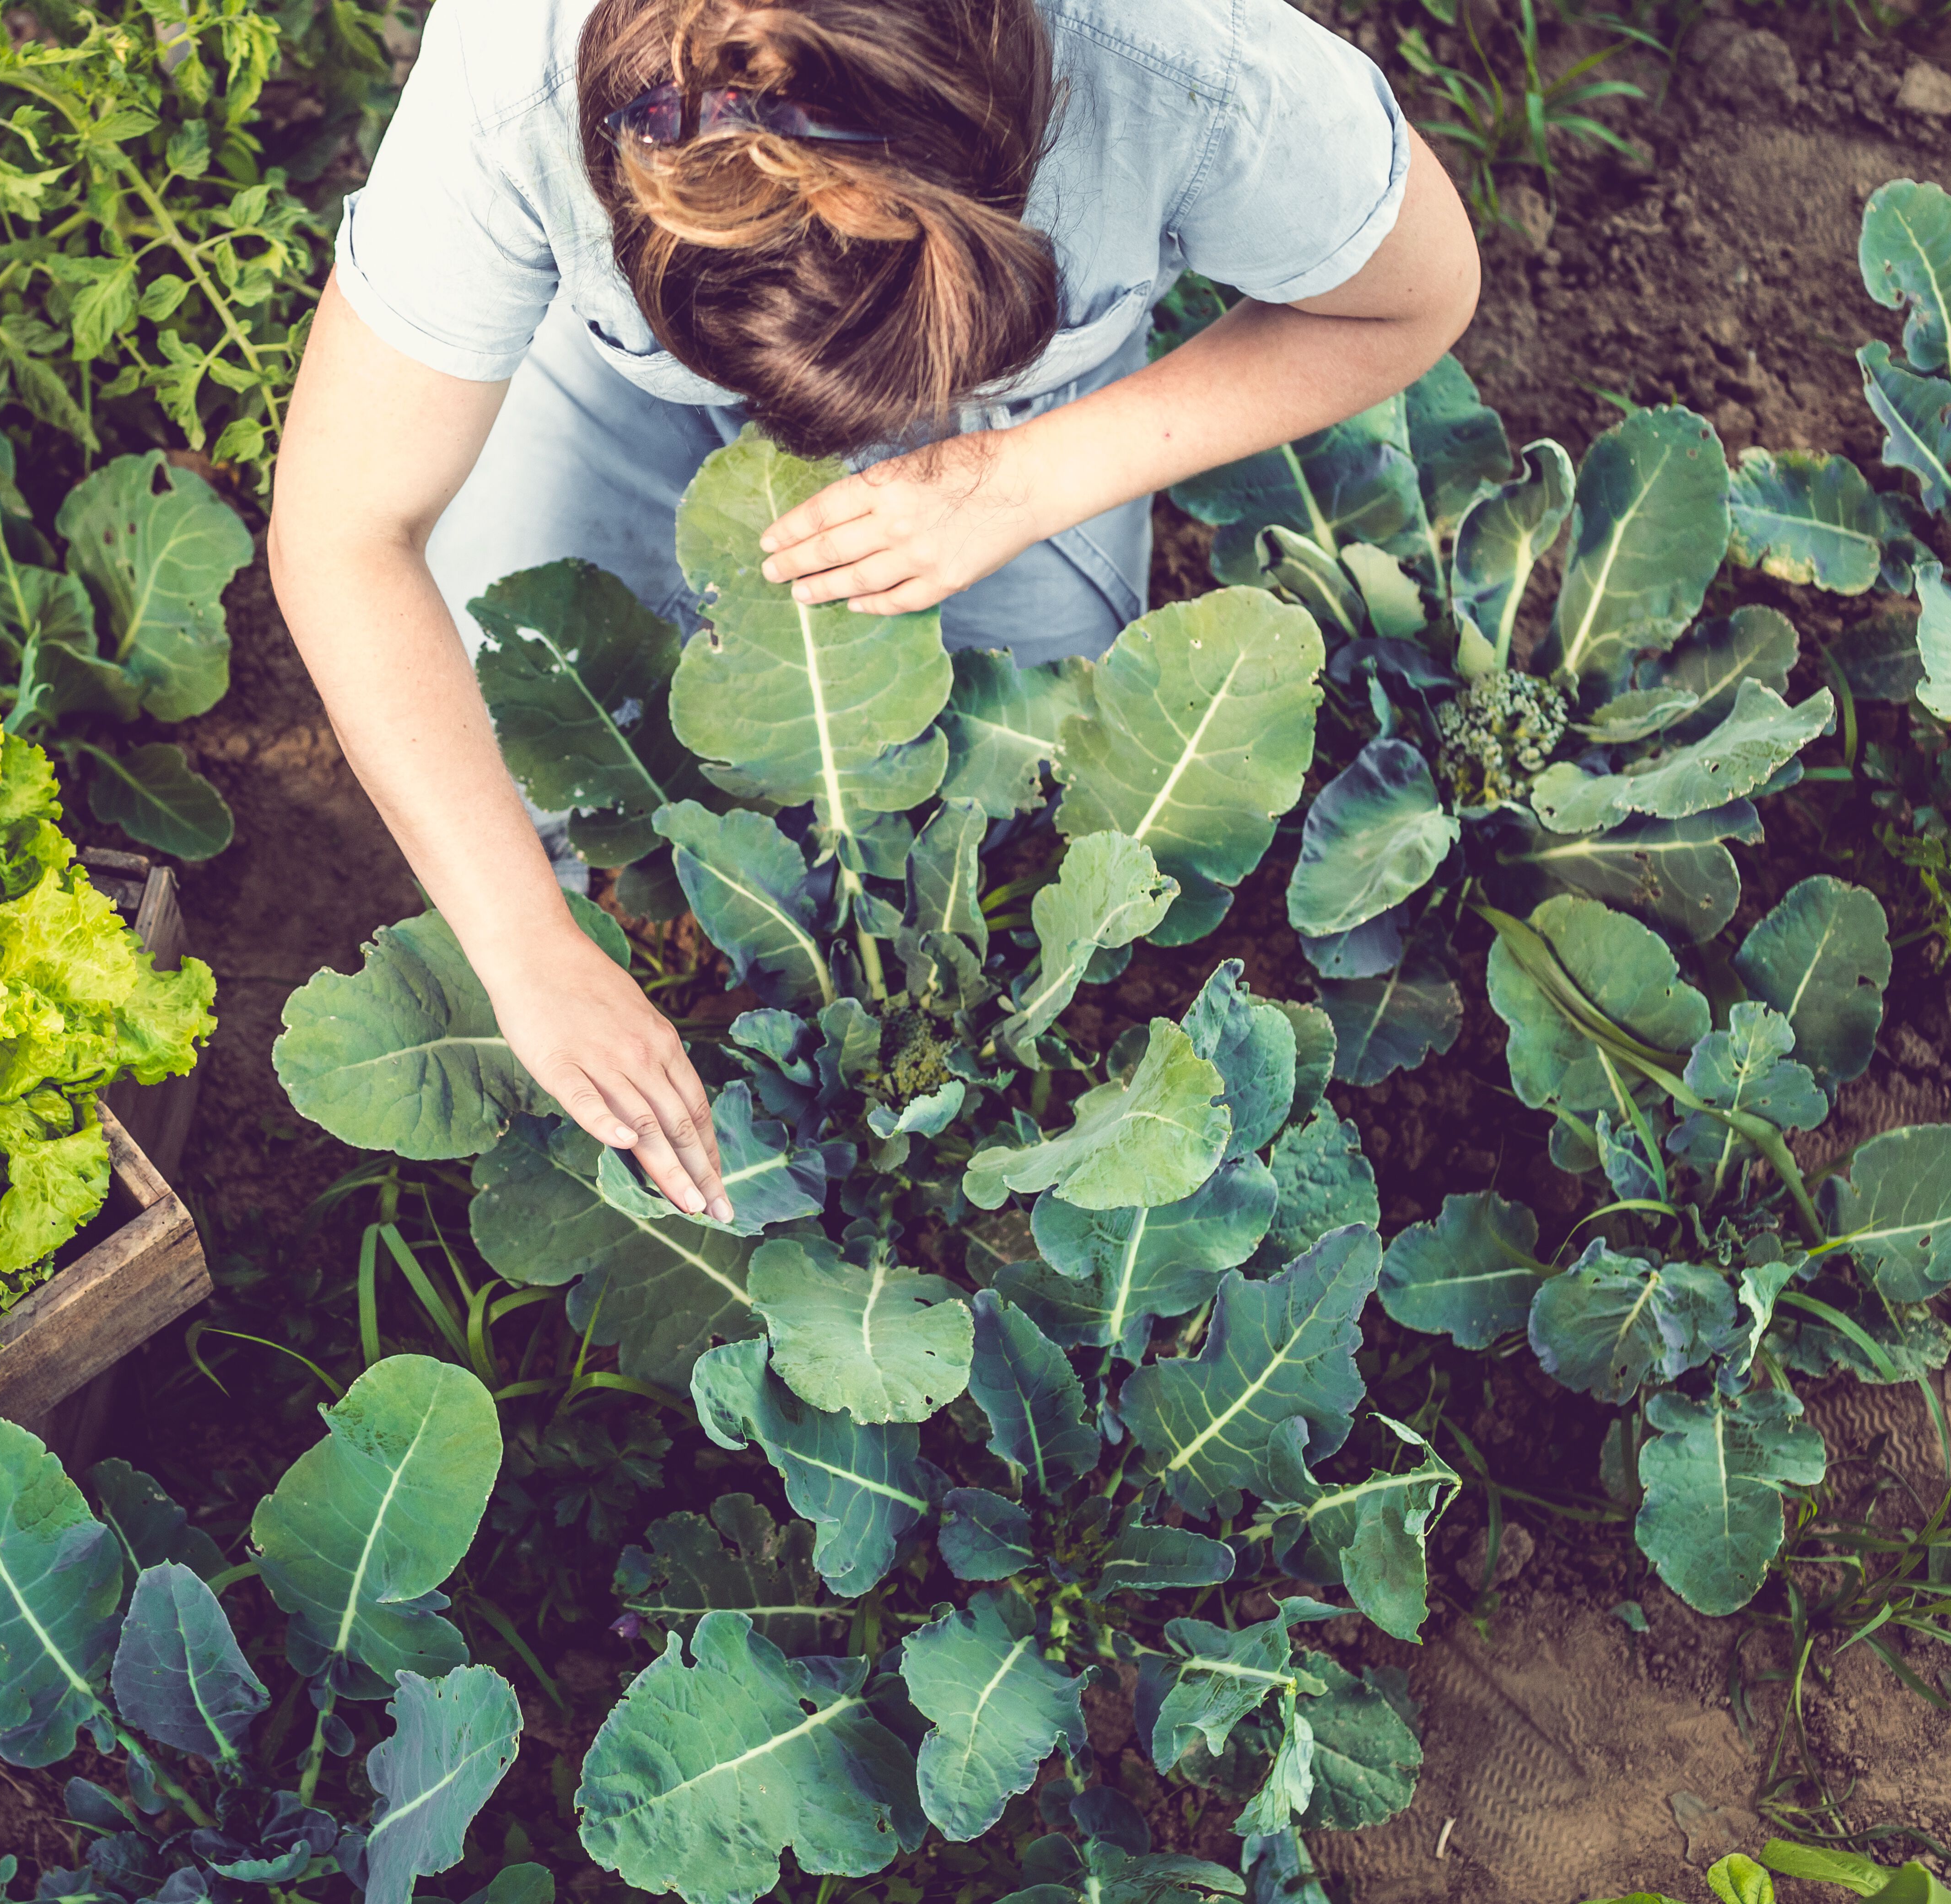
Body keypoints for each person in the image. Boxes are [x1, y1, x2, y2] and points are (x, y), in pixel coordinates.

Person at [266, 0, 1481, 1224]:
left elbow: (1419, 293)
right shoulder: (514, 66)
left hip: (1012, 429)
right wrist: (528, 943)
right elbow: (341, 531)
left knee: (1019, 801)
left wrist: (1024, 477)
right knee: (514, 753)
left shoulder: (1182, 59)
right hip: (614, 382)